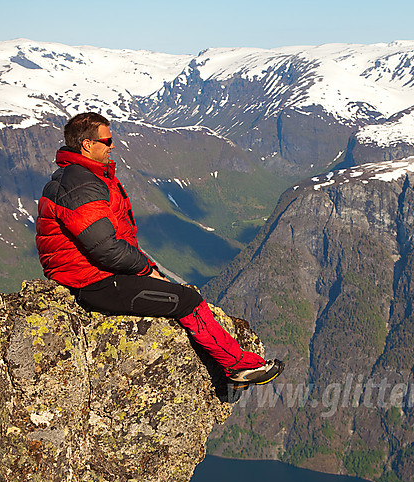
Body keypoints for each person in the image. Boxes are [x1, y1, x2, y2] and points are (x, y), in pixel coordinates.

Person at [35, 112, 282, 385]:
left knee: (177, 293)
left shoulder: (78, 177)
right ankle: (237, 366)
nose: (112, 145)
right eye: (107, 140)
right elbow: (105, 249)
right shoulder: (80, 185)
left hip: (91, 275)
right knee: (187, 301)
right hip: (93, 282)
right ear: (86, 145)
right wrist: (145, 269)